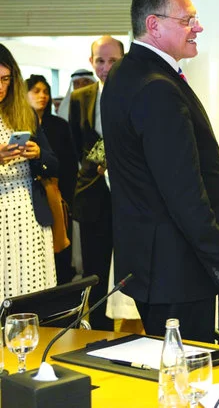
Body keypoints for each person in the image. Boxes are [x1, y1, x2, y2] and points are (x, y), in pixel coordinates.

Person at [101, 0, 219, 342]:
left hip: (155, 267)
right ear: (154, 25)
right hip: (177, 270)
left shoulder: (125, 73)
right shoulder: (156, 87)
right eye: (187, 20)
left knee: (169, 365)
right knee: (186, 369)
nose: (198, 27)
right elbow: (182, 191)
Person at [67, 35, 124, 331]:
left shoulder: (136, 91)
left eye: (113, 60)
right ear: (91, 62)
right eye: (100, 61)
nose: (106, 67)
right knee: (95, 271)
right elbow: (78, 144)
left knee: (129, 269)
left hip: (128, 195)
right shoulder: (81, 97)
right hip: (92, 193)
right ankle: (98, 332)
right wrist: (100, 162)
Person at [0, 44, 59, 299]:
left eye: (5, 79)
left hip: (29, 214)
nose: (1, 87)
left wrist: (37, 154)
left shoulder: (25, 114)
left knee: (32, 290)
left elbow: (55, 165)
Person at [26, 74, 78, 285]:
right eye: (36, 91)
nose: (43, 96)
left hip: (58, 193)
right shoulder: (19, 124)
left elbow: (68, 163)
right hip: (30, 195)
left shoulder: (59, 125)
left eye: (46, 91)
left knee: (60, 248)